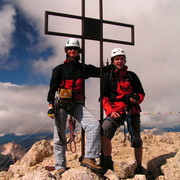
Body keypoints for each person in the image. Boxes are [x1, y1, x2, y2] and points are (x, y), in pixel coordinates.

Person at [47, 38, 105, 175]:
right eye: (70, 49)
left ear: (79, 51)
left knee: (93, 125)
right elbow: (52, 87)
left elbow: (99, 71)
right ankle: (60, 166)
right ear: (66, 51)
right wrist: (50, 105)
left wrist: (113, 67)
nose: (72, 51)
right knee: (60, 135)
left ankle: (89, 157)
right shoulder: (59, 69)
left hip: (77, 104)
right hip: (60, 104)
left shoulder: (83, 68)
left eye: (75, 49)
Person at [100, 48, 145, 174]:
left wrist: (136, 100)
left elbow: (141, 93)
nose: (119, 61)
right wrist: (109, 111)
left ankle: (139, 166)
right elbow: (104, 97)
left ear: (125, 60)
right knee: (104, 131)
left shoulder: (132, 76)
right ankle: (108, 162)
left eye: (121, 59)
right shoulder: (107, 77)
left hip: (132, 110)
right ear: (113, 61)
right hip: (116, 110)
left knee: (136, 139)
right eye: (117, 59)